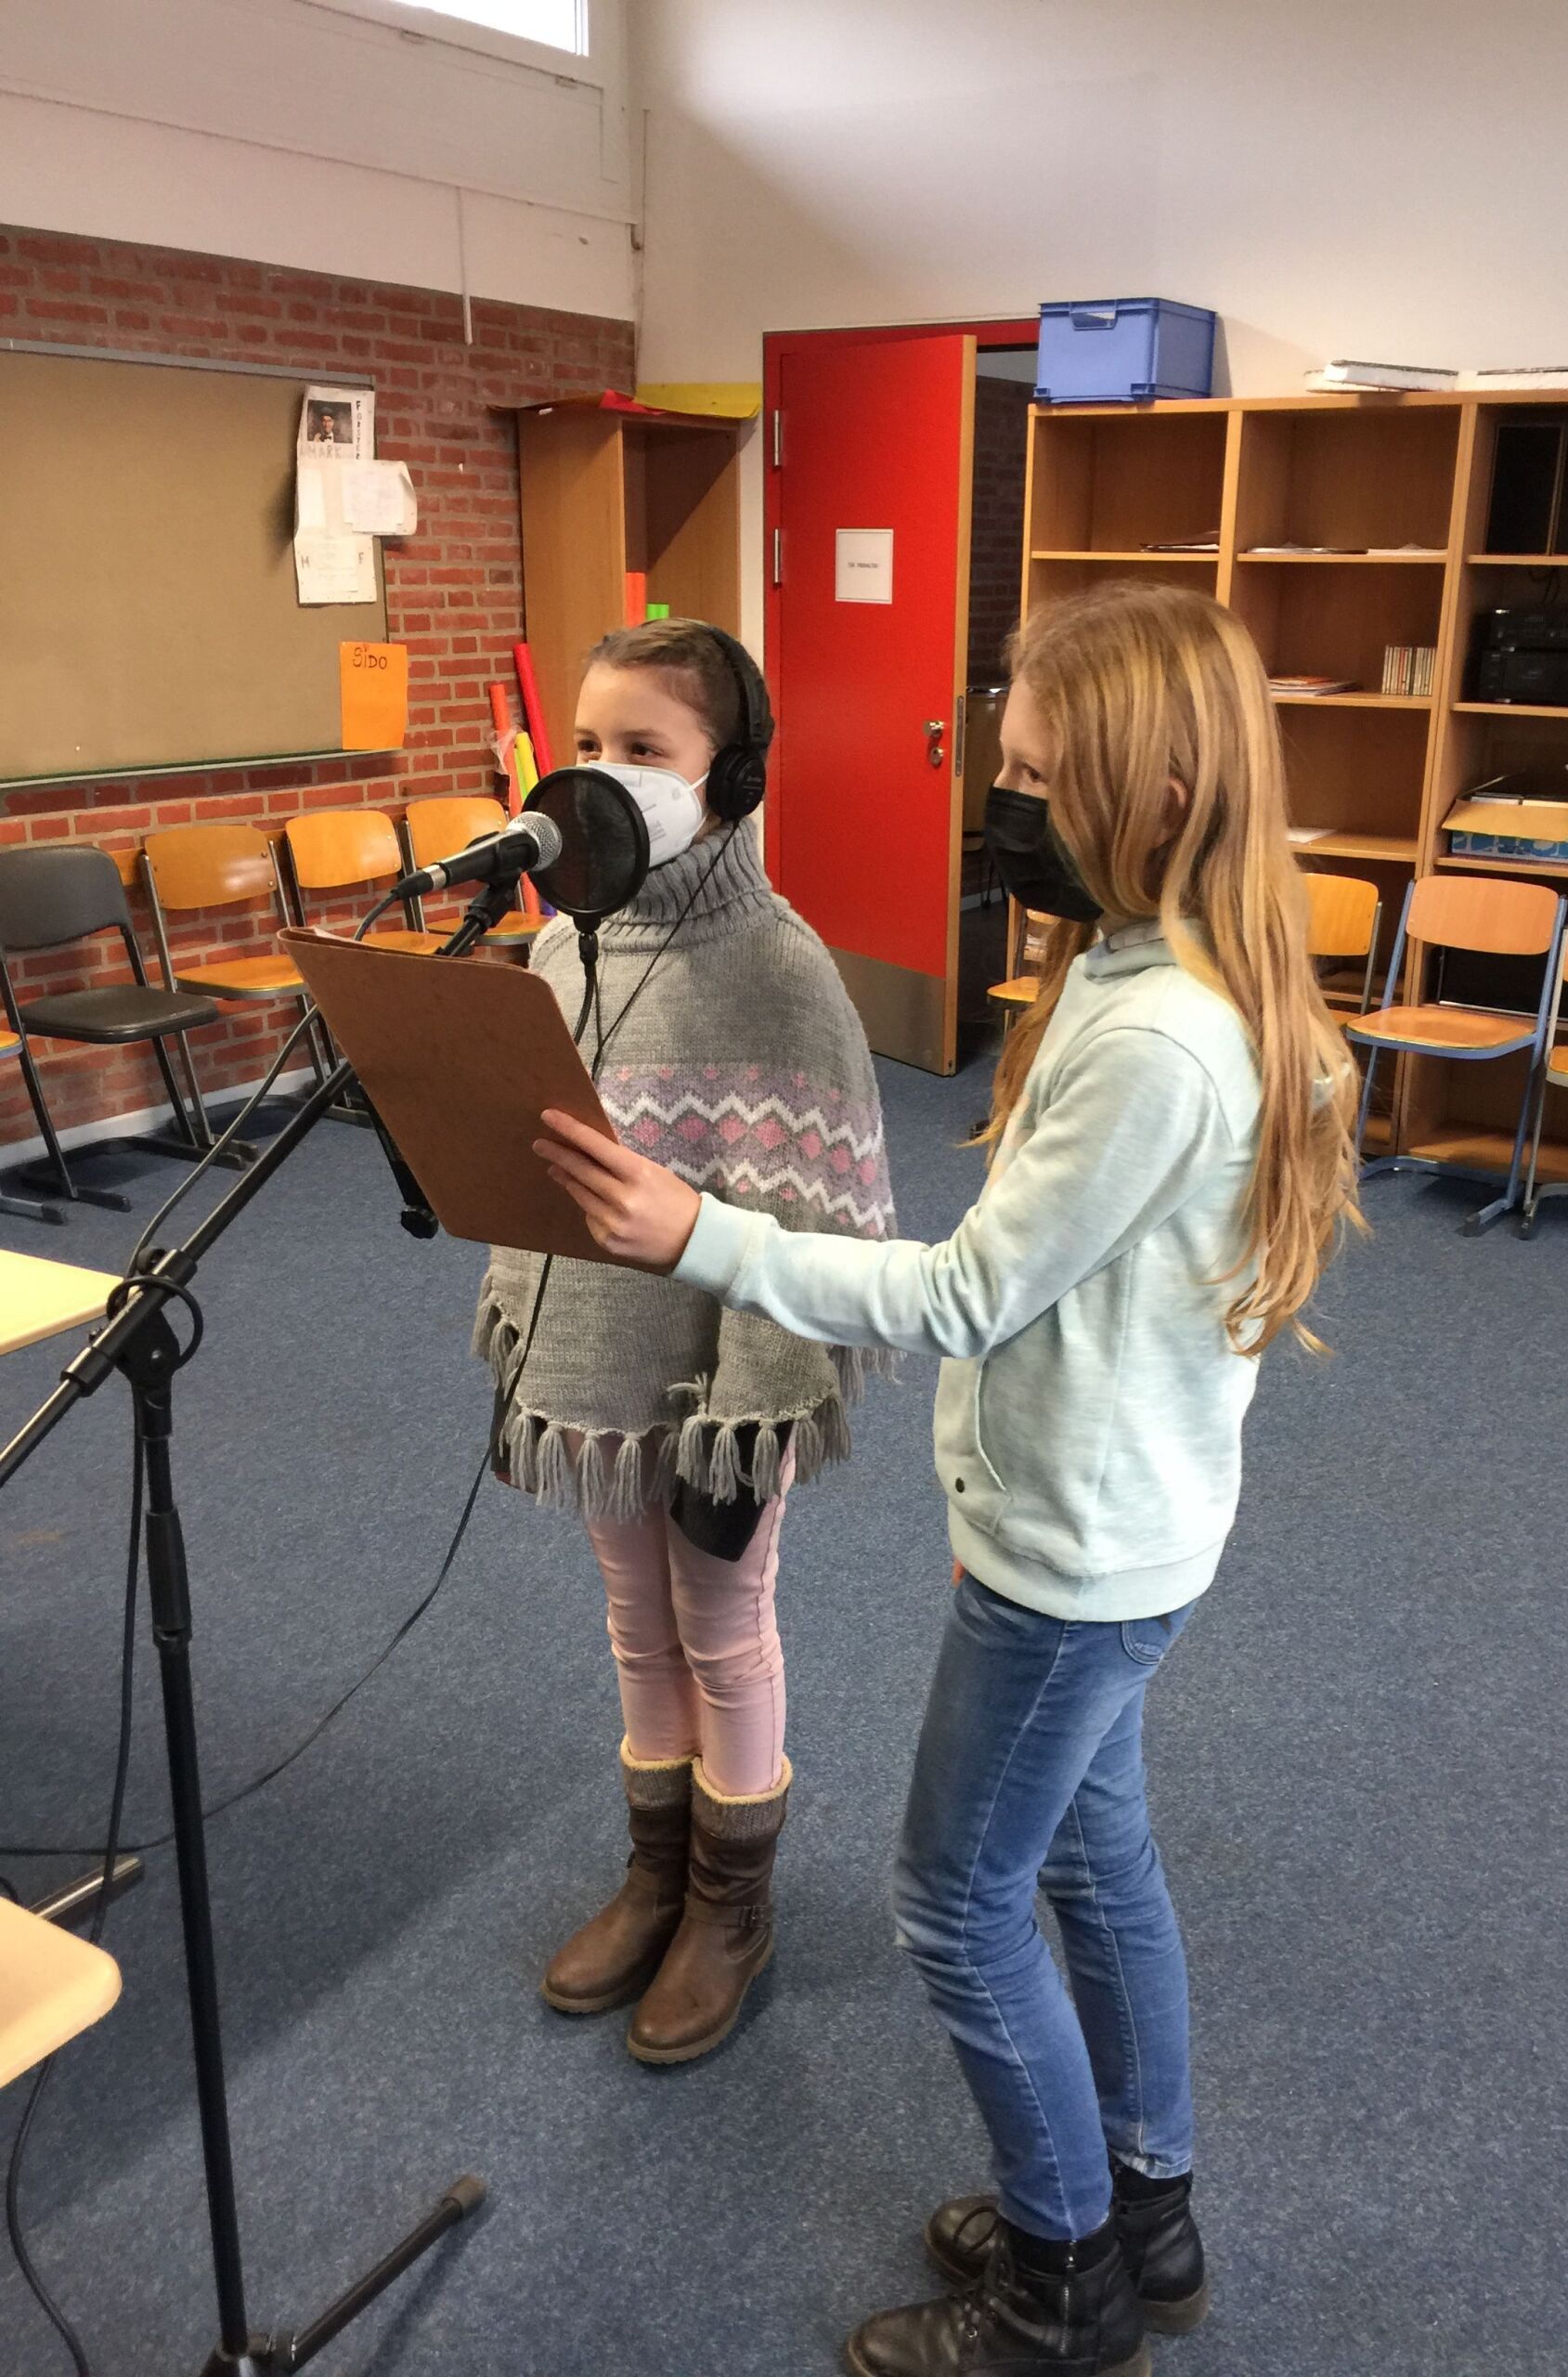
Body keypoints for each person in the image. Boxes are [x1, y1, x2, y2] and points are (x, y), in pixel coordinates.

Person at [534, 580, 1359, 2375]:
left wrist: (703, 1233)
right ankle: (1146, 2210)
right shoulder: (1143, 973)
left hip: (1072, 1560)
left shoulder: (1154, 1038)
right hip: (1116, 1530)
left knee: (960, 1902)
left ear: (1154, 795)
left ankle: (1065, 2284)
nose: (1007, 809)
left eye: (1039, 780)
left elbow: (970, 1293)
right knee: (1096, 1862)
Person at [477, 617, 894, 2067]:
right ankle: (657, 1875)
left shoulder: (780, 969)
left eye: (645, 749)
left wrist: (755, 1392)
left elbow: (825, 1216)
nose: (605, 773)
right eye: (589, 743)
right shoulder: (560, 945)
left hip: (728, 1379)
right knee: (634, 1622)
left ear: (733, 779)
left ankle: (732, 1905)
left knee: (721, 1627)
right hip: (599, 1353)